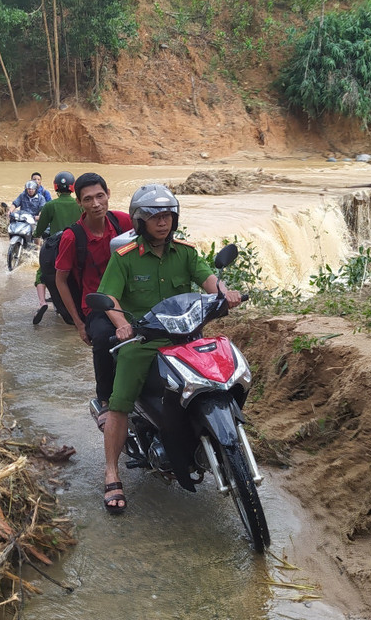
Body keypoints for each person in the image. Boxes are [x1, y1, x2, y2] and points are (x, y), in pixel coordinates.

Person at [94, 184, 243, 514]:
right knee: (120, 403)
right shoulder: (124, 258)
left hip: (186, 337)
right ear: (140, 221)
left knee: (220, 378)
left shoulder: (186, 253)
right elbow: (110, 297)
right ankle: (112, 473)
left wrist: (225, 293)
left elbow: (209, 280)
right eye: (154, 217)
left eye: (167, 216)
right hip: (143, 342)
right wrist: (122, 324)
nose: (162, 222)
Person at [54, 173, 131, 421]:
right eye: (88, 199)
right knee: (103, 338)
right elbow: (61, 280)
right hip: (96, 305)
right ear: (79, 202)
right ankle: (105, 400)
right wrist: (79, 324)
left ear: (108, 194)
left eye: (100, 196)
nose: (96, 204)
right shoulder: (72, 237)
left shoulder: (122, 222)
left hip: (127, 299)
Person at [32, 171, 83, 323]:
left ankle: (42, 302)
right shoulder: (80, 204)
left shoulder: (50, 205)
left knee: (41, 273)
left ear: (55, 187)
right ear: (73, 187)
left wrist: (35, 234)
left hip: (56, 249)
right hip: (77, 247)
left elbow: (40, 229)